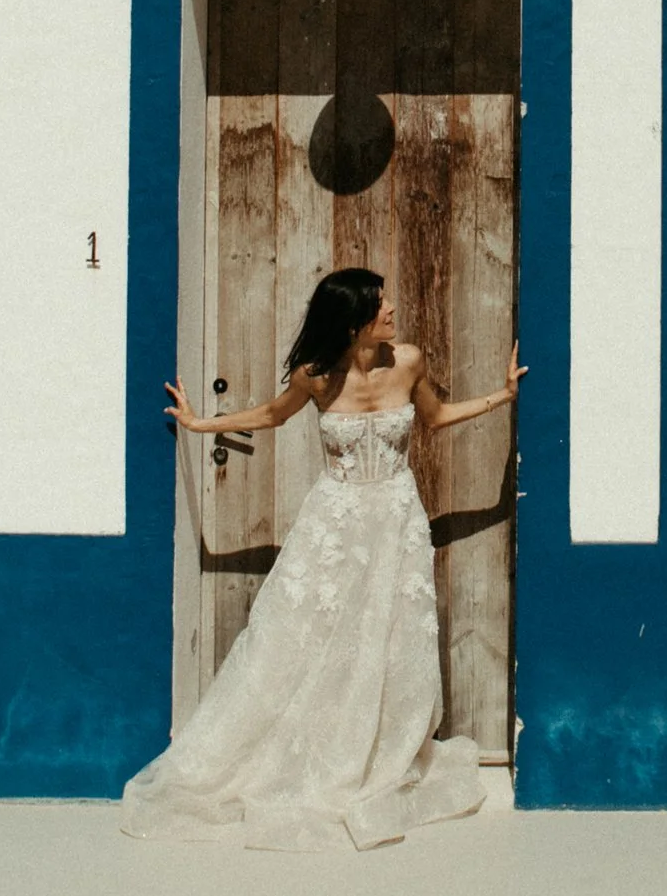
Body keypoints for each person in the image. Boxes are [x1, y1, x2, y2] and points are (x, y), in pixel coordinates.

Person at [122, 266, 523, 851]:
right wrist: (200, 423)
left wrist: (502, 396)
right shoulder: (314, 377)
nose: (392, 310)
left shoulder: (408, 361)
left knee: (391, 637)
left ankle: (379, 751)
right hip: (334, 523)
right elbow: (270, 415)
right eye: (380, 304)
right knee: (306, 636)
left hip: (397, 522)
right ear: (354, 321)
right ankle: (310, 756)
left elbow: (437, 417)